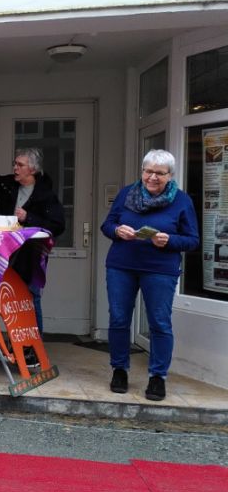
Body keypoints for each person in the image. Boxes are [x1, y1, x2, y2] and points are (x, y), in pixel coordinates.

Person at [100, 150, 199, 401]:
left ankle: (158, 377)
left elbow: (192, 240)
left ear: (170, 175)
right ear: (142, 171)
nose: (152, 177)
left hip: (160, 269)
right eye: (148, 171)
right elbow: (106, 225)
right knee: (119, 319)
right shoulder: (126, 194)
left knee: (159, 322)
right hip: (121, 265)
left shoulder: (182, 200)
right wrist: (116, 230)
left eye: (159, 173)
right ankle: (119, 370)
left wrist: (170, 240)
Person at [0, 148, 65, 336]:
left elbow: (58, 225)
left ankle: (33, 350)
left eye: (20, 165)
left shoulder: (45, 194)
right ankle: (16, 346)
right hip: (4, 253)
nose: (15, 168)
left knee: (30, 297)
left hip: (30, 255)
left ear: (32, 170)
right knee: (8, 298)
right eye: (15, 164)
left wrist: (30, 217)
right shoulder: (8, 184)